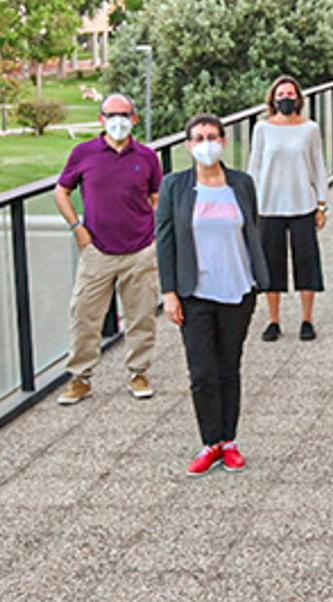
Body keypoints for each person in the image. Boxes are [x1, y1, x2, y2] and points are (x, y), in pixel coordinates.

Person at [156, 113, 271, 476]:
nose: (207, 144)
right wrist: (170, 292)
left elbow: (252, 227)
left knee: (228, 368)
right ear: (189, 145)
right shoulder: (175, 186)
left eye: (213, 137)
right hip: (195, 293)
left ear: (223, 141)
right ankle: (210, 442)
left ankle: (229, 440)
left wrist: (259, 278)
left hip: (238, 290)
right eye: (199, 138)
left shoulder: (241, 183)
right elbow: (165, 241)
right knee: (202, 371)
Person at [53, 93, 163, 405]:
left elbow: (157, 197)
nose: (118, 120)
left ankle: (139, 372)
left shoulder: (146, 156)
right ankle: (80, 379)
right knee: (84, 315)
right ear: (101, 119)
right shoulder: (84, 153)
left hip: (139, 250)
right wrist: (78, 229)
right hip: (97, 250)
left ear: (135, 118)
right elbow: (62, 192)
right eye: (111, 114)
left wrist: (153, 233)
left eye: (125, 114)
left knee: (141, 316)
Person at [248, 75, 330, 343]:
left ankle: (307, 319)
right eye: (281, 94)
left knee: (307, 261)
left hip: (302, 203)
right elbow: (255, 166)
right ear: (273, 98)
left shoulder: (310, 129)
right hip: (269, 205)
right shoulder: (262, 129)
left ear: (298, 98)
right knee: (272, 265)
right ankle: (274, 320)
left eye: (290, 94)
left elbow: (318, 164)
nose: (285, 98)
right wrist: (251, 204)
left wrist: (322, 203)